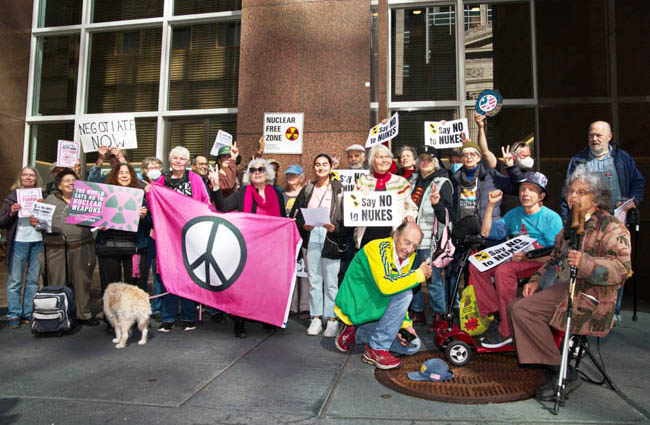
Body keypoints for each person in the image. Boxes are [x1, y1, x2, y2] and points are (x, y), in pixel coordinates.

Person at [508, 165, 631, 400]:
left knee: (525, 310)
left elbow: (622, 269)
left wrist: (586, 263)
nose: (573, 197)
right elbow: (554, 258)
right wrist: (535, 279)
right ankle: (555, 366)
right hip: (565, 286)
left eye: (581, 192)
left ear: (596, 197)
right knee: (517, 307)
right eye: (571, 192)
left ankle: (561, 372)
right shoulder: (572, 224)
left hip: (592, 294)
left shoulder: (613, 227)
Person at [561, 121, 645, 322]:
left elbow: (638, 182)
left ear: (609, 136)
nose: (594, 139)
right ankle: (586, 310)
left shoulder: (622, 159)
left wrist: (634, 201)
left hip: (616, 222)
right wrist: (568, 220)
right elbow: (567, 191)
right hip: (586, 224)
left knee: (615, 266)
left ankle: (612, 311)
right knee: (587, 264)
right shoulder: (578, 160)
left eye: (599, 135)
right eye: (591, 135)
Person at [470, 172, 562, 348]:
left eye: (531, 190)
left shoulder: (551, 218)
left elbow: (556, 254)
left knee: (504, 272)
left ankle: (507, 330)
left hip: (540, 262)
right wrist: (490, 206)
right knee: (476, 264)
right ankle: (497, 312)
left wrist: (528, 256)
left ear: (541, 195)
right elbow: (486, 233)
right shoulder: (515, 213)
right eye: (522, 189)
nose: (525, 193)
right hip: (516, 258)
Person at [334, 222, 433, 369]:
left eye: (414, 246)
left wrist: (404, 324)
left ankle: (357, 334)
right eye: (407, 242)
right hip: (358, 306)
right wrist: (417, 275)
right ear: (395, 235)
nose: (409, 249)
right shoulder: (376, 248)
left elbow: (399, 284)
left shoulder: (408, 256)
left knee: (413, 345)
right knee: (405, 293)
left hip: (378, 309)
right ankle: (376, 348)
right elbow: (387, 286)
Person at [211, 157, 286, 338]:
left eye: (261, 169)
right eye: (253, 170)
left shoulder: (276, 194)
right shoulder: (243, 193)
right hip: (248, 247)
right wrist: (215, 186)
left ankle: (267, 320)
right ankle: (240, 322)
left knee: (268, 285)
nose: (257, 172)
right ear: (249, 175)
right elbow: (223, 207)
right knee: (244, 286)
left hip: (270, 248)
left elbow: (283, 218)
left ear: (267, 173)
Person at [151, 146, 212, 332]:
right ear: (170, 161)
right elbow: (154, 204)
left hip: (190, 234)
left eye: (182, 159)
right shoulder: (161, 180)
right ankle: (168, 318)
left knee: (188, 274)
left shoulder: (195, 179)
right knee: (169, 274)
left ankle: (188, 317)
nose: (178, 161)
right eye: (175, 158)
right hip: (168, 235)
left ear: (187, 163)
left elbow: (205, 202)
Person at [292, 154, 347, 337]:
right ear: (313, 168)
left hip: (332, 239)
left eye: (324, 164)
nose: (321, 167)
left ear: (331, 167)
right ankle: (315, 318)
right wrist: (303, 225)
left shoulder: (340, 189)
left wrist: (335, 227)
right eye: (317, 164)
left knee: (331, 282)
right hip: (311, 236)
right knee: (314, 280)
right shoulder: (307, 189)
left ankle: (332, 319)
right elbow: (296, 214)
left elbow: (348, 216)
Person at [38, 169, 99, 326]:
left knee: (82, 282)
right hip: (56, 248)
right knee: (57, 282)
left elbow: (95, 221)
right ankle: (58, 315)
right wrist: (35, 219)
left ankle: (83, 314)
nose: (71, 183)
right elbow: (40, 225)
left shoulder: (86, 200)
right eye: (67, 181)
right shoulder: (49, 201)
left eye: (74, 180)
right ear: (59, 185)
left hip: (82, 247)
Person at [406, 146, 454, 329]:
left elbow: (448, 215)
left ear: (435, 162)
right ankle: (417, 311)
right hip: (410, 239)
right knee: (411, 277)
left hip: (431, 240)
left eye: (429, 159)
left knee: (433, 280)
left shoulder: (443, 183)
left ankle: (439, 315)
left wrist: (436, 205)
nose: (425, 162)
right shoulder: (412, 181)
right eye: (422, 158)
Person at [95, 163, 151, 294]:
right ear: (115, 175)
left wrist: (144, 216)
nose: (124, 175)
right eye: (121, 172)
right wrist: (99, 224)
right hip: (108, 247)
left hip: (134, 248)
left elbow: (151, 223)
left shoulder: (141, 195)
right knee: (111, 290)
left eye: (127, 173)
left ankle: (132, 315)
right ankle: (111, 315)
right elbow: (94, 218)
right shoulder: (105, 195)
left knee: (134, 290)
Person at [0, 167, 44, 328]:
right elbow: (1, 222)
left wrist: (43, 209)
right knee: (15, 280)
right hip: (19, 241)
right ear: (20, 178)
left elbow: (49, 221)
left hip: (38, 240)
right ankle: (13, 314)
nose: (28, 177)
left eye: (31, 175)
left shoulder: (42, 196)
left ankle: (28, 312)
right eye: (25, 175)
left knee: (33, 280)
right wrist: (11, 212)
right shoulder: (12, 197)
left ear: (36, 179)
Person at [354, 144, 418, 249]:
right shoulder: (362, 182)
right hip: (367, 238)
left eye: (387, 157)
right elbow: (352, 207)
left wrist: (409, 215)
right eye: (380, 157)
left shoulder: (401, 182)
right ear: (372, 161)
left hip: (392, 238)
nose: (384, 160)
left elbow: (411, 207)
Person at [283, 164, 310, 318]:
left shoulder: (307, 193)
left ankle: (305, 306)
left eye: (294, 175)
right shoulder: (282, 194)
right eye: (288, 175)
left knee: (305, 272)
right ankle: (291, 306)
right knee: (290, 272)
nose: (291, 178)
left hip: (304, 237)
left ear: (301, 177)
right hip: (287, 240)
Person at [141, 156, 164, 320]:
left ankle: (157, 308)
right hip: (143, 236)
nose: (153, 170)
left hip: (160, 236)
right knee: (140, 273)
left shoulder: (165, 187)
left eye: (157, 167)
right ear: (144, 171)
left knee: (158, 274)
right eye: (150, 167)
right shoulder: (138, 188)